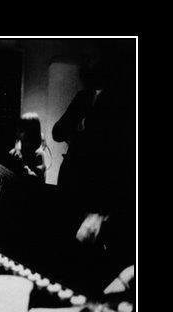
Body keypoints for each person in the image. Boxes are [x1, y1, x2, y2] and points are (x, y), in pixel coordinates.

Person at [51, 50, 135, 295]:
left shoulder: (122, 101)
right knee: (70, 248)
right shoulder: (83, 97)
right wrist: (80, 131)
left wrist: (102, 211)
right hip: (74, 183)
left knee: (90, 256)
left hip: (97, 189)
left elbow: (120, 155)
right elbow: (58, 132)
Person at [8, 112, 48, 182]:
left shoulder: (38, 154)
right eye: (18, 130)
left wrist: (24, 168)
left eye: (21, 131)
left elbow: (37, 178)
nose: (18, 133)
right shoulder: (18, 149)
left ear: (32, 133)